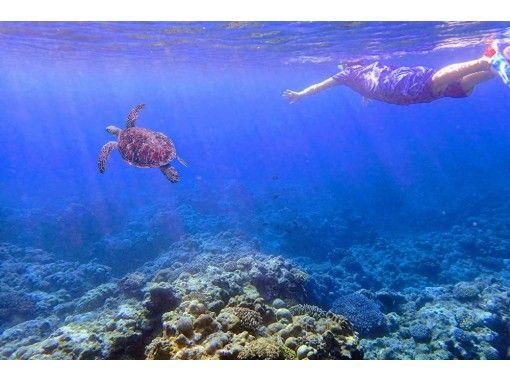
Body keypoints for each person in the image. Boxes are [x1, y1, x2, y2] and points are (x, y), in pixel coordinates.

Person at [283, 43, 510, 106]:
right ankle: (494, 61)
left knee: (435, 82)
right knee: (454, 86)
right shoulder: (361, 71)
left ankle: (488, 60)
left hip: (398, 91)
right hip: (399, 87)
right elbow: (369, 83)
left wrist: (301, 95)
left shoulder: (345, 75)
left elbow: (319, 87)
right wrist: (366, 94)